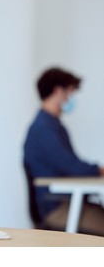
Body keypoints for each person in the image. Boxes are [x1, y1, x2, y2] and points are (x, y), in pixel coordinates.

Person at [23, 67, 104, 235]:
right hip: (57, 207)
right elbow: (71, 166)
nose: (71, 98)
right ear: (58, 91)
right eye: (70, 93)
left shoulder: (52, 125)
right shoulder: (44, 129)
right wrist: (98, 170)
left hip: (66, 202)